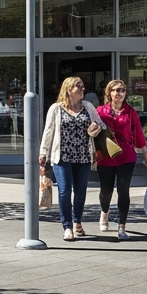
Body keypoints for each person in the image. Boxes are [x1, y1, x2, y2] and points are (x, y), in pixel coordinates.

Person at [39, 76, 106, 242]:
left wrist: (95, 128)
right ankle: (67, 226)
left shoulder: (88, 106)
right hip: (61, 156)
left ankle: (77, 221)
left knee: (81, 191)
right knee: (65, 190)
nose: (83, 89)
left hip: (83, 155)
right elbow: (48, 131)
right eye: (79, 87)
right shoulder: (56, 108)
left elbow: (101, 125)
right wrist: (43, 152)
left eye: (83, 87)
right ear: (69, 90)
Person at [95, 79, 147, 240]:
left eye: (122, 90)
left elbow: (138, 133)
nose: (118, 93)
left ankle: (122, 226)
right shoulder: (101, 111)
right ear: (109, 93)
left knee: (123, 190)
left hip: (126, 156)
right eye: (115, 90)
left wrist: (145, 152)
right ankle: (104, 211)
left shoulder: (130, 111)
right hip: (105, 156)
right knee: (106, 192)